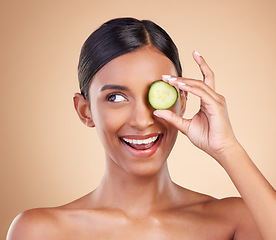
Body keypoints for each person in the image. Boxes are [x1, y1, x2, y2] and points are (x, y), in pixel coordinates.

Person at [7, 17, 276, 240]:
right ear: (84, 110)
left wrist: (227, 148)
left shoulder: (238, 220)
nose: (142, 120)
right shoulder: (40, 231)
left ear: (183, 99)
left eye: (158, 94)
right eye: (116, 97)